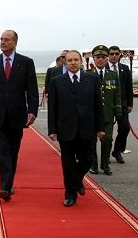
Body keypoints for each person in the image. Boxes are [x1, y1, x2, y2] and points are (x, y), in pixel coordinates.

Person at [0, 30, 39, 201]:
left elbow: (32, 90)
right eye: (1, 39)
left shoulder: (26, 63)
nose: (3, 42)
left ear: (15, 42)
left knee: (13, 151)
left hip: (17, 114)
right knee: (2, 150)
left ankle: (8, 183)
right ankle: (5, 187)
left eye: (6, 40)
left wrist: (32, 110)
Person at [48, 50, 105, 207]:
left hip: (88, 128)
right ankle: (70, 193)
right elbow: (53, 108)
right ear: (65, 63)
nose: (73, 63)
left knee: (88, 159)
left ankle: (76, 179)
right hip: (66, 128)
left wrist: (100, 127)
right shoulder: (57, 81)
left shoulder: (92, 80)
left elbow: (98, 105)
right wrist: (52, 129)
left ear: (81, 62)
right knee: (68, 162)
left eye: (76, 60)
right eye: (69, 60)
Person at [86, 45, 121, 176]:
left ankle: (105, 164)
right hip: (91, 114)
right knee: (91, 141)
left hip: (107, 114)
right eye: (98, 57)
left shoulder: (113, 75)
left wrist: (118, 110)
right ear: (93, 59)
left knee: (107, 140)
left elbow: (117, 93)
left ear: (107, 59)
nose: (100, 60)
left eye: (103, 57)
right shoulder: (87, 74)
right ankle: (94, 165)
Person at [108, 46, 134, 164]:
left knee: (125, 128)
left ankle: (117, 150)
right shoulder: (104, 68)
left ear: (119, 55)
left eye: (116, 54)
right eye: (112, 54)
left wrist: (130, 104)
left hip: (122, 104)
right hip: (107, 104)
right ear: (108, 55)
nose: (114, 56)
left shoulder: (124, 68)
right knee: (106, 131)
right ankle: (105, 153)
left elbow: (129, 87)